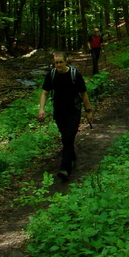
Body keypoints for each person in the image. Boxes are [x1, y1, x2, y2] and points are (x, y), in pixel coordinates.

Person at [38, 52, 93, 181]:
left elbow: (83, 94)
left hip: (73, 110)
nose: (58, 65)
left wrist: (88, 110)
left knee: (68, 136)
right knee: (65, 138)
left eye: (60, 62)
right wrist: (41, 109)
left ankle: (65, 169)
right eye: (56, 62)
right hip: (59, 111)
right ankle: (71, 156)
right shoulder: (51, 75)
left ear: (66, 62)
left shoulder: (75, 75)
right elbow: (45, 93)